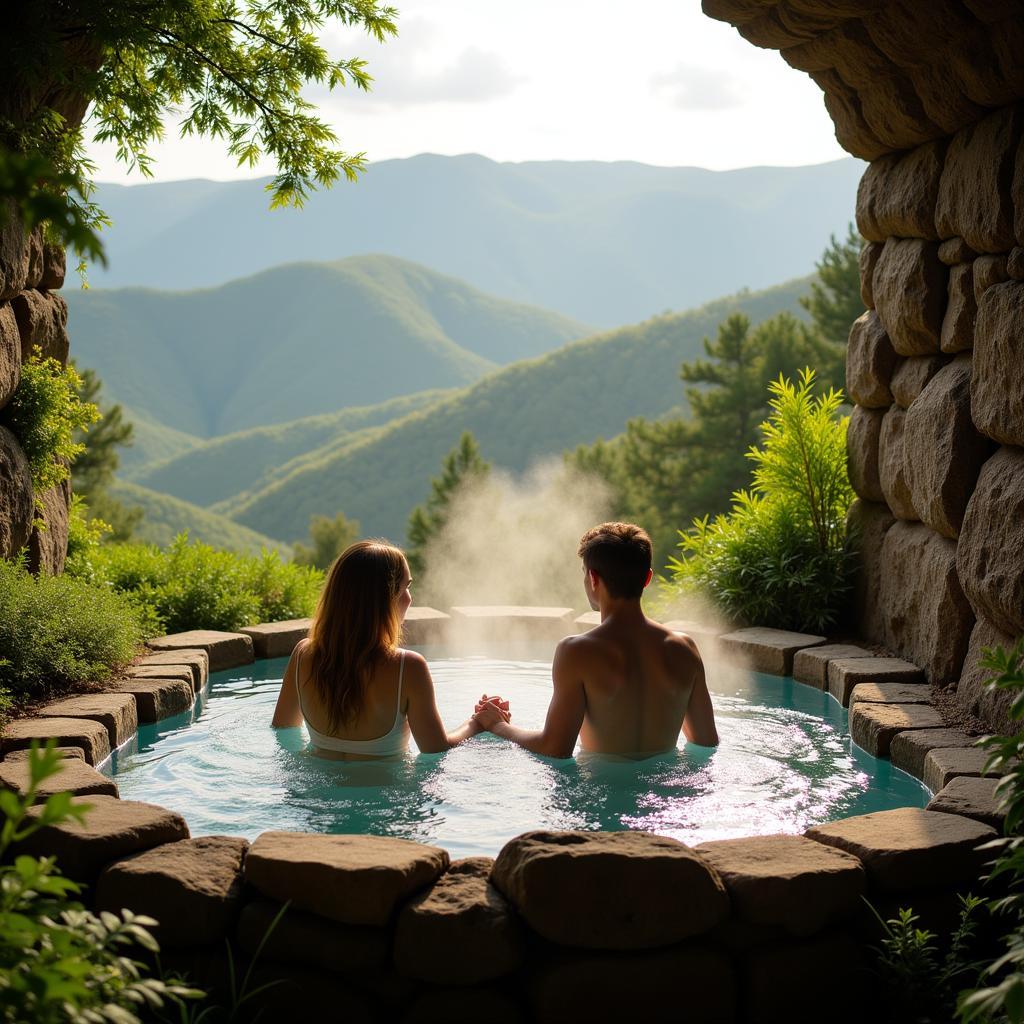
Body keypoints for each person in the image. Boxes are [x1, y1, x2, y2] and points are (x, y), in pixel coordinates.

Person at [473, 522, 718, 758]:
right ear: (647, 578)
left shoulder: (577, 651)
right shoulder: (685, 648)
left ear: (593, 578)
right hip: (668, 795)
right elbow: (706, 742)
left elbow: (554, 748)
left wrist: (498, 726)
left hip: (603, 790)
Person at [272, 539, 500, 758]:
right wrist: (477, 723)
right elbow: (436, 749)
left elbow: (283, 730)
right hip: (387, 792)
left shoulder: (303, 655)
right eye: (405, 587)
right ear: (384, 599)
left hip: (315, 793)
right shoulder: (408, 667)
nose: (409, 598)